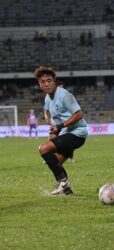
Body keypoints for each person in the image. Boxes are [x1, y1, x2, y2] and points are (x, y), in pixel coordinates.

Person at [35, 66, 88, 195]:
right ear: (39, 84)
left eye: (49, 81)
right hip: (65, 133)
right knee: (54, 162)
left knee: (43, 149)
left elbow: (79, 114)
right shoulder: (48, 98)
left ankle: (63, 182)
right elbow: (47, 111)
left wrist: (59, 127)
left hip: (77, 133)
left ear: (54, 81)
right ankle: (66, 190)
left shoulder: (64, 95)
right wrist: (52, 127)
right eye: (43, 82)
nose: (46, 84)